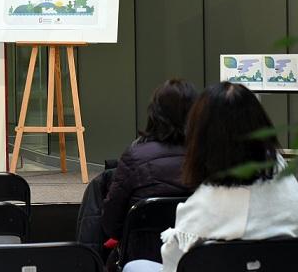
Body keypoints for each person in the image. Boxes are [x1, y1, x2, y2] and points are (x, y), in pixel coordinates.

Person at [123, 82, 298, 272]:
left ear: (200, 138)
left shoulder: (196, 214)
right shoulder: (290, 189)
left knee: (135, 266)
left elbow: (173, 266)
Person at [77, 79, 197, 267]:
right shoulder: (207, 157)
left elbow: (111, 224)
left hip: (141, 259)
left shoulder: (136, 155)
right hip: (196, 259)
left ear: (154, 114)